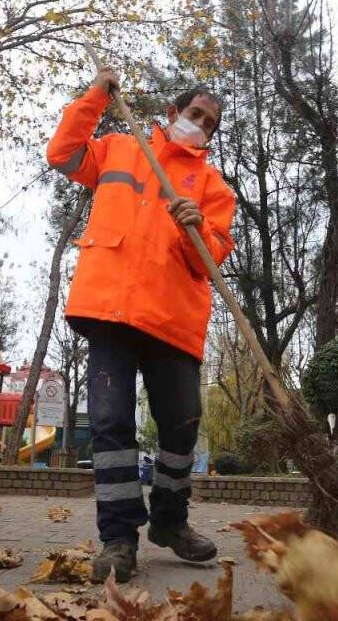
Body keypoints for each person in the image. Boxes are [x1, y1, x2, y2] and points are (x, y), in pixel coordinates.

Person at [46, 67, 235, 583]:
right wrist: (95, 98)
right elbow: (62, 154)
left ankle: (170, 523)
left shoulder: (214, 189)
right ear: (172, 113)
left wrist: (195, 230)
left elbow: (210, 259)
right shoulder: (119, 150)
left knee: (182, 424)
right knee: (110, 425)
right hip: (110, 309)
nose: (199, 126)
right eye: (194, 114)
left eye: (210, 123)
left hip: (174, 318)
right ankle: (119, 537)